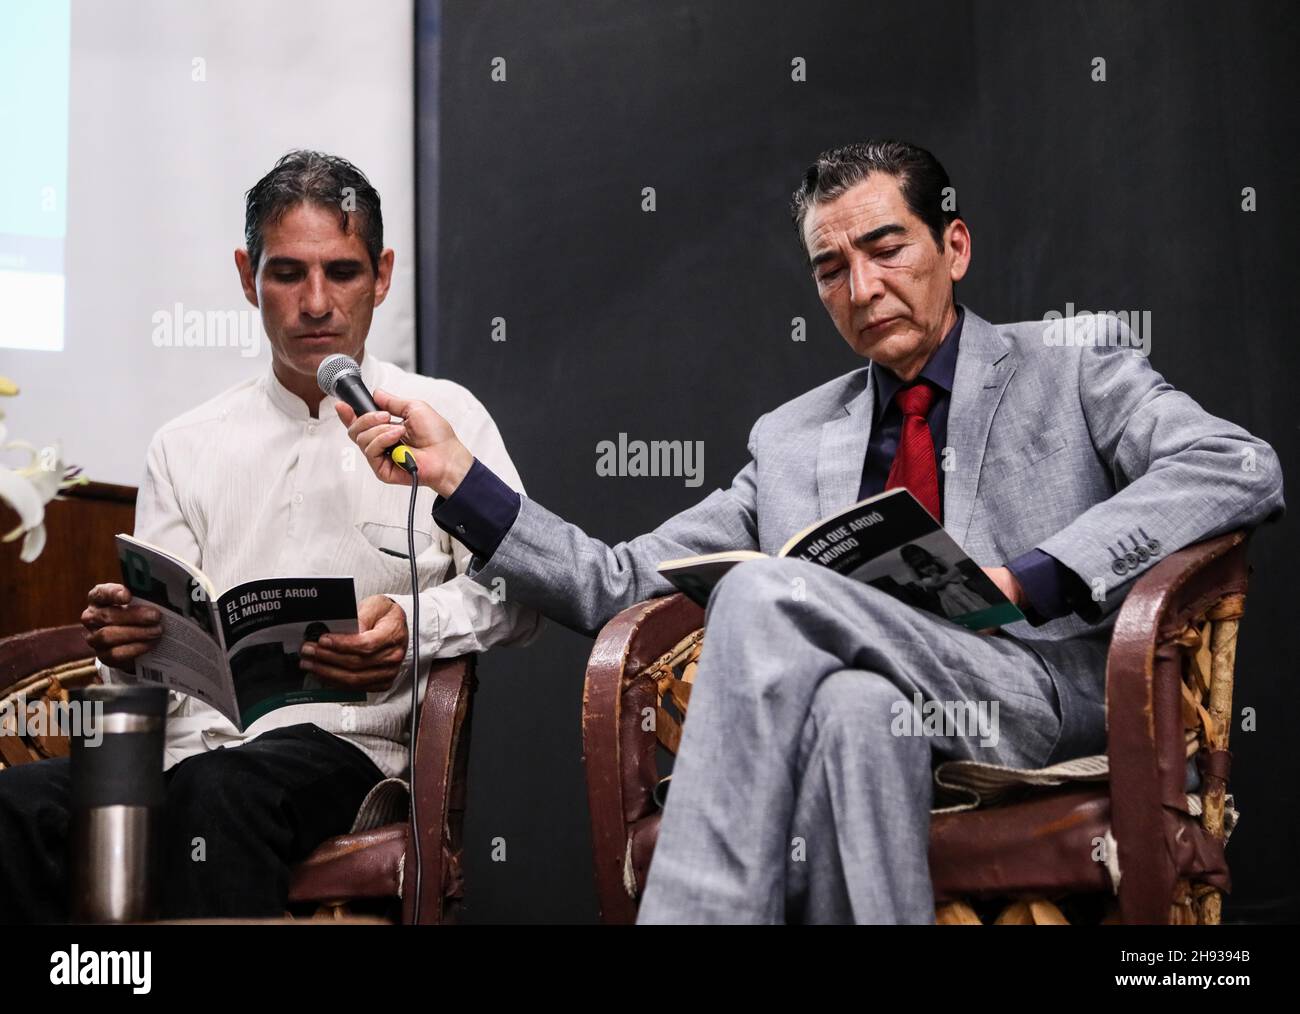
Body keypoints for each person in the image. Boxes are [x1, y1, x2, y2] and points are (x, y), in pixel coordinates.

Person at [339, 140, 1283, 923]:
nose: (863, 286)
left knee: (759, 591)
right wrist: (462, 481)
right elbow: (621, 583)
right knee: (850, 713)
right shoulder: (790, 440)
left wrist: (1032, 576)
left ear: (953, 246)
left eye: (886, 248)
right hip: (895, 713)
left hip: (1031, 691)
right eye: (832, 268)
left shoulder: (1071, 367)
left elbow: (1240, 466)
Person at [0, 150, 541, 923]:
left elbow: (520, 593)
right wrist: (130, 645)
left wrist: (416, 628)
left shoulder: (443, 415)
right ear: (245, 275)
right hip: (186, 752)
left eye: (343, 273)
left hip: (346, 755)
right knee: (16, 805)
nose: (316, 302)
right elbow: (160, 665)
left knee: (223, 791)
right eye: (287, 273)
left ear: (382, 275)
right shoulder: (183, 444)